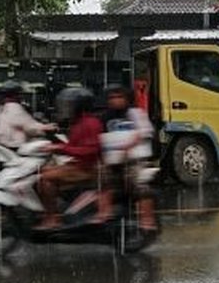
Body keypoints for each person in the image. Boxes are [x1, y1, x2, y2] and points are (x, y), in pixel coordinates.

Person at [36, 88, 102, 230]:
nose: (67, 108)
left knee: (46, 179)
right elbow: (74, 146)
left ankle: (53, 218)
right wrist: (55, 145)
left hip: (87, 168)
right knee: (40, 171)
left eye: (70, 105)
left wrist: (60, 148)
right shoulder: (77, 123)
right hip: (77, 165)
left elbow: (90, 150)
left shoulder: (91, 123)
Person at [100, 85, 156, 229]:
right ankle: (103, 216)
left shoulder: (136, 113)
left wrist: (129, 146)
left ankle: (147, 221)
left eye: (119, 97)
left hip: (134, 160)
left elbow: (145, 131)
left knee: (140, 187)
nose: (115, 101)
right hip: (112, 160)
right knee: (102, 183)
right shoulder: (105, 117)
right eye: (112, 98)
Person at [0, 80, 55, 148]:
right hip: (11, 144)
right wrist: (47, 127)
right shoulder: (13, 107)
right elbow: (30, 127)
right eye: (20, 93)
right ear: (16, 94)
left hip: (3, 141)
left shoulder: (4, 106)